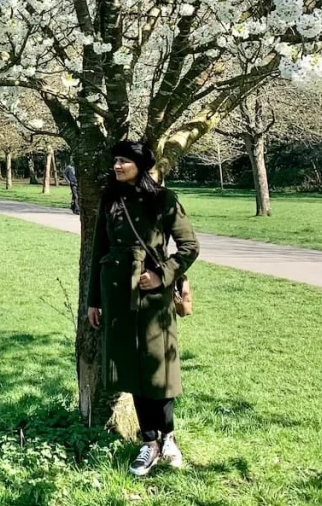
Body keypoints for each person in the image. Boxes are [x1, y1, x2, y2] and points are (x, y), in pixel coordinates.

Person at [86, 140, 200, 477]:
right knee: (132, 370)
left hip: (152, 296)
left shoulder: (163, 199)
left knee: (157, 369)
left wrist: (161, 275)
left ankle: (168, 438)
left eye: (124, 161)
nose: (117, 166)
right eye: (115, 161)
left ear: (140, 164)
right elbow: (98, 250)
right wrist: (94, 299)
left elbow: (190, 247)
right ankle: (148, 442)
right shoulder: (111, 199)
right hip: (117, 293)